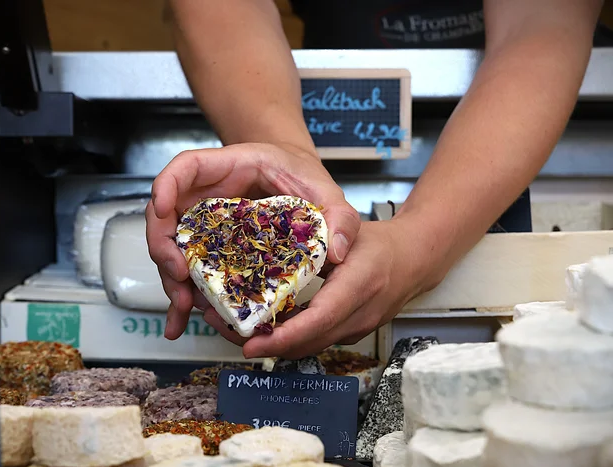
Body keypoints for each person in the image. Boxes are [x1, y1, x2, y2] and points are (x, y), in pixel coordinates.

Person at [145, 0, 605, 361]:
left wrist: (418, 243)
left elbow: (540, 21)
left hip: (509, 119)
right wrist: (283, 156)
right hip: (297, 90)